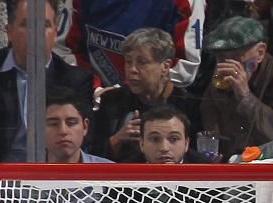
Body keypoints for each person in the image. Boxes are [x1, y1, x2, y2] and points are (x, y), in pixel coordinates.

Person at [0, 0, 93, 165]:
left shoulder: (75, 81)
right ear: (9, 31)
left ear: (55, 32)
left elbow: (86, 145)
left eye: (45, 25)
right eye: (27, 24)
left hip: (53, 177)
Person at [200, 16, 273, 161]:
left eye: (235, 56)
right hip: (234, 169)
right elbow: (210, 132)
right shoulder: (218, 83)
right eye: (221, 57)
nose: (227, 64)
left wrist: (245, 96)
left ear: (260, 52)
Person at [86, 27, 202, 162]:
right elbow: (90, 153)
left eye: (141, 62)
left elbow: (196, 155)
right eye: (128, 61)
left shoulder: (189, 105)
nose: (132, 70)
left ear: (165, 66)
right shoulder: (111, 100)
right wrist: (115, 141)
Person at [55, 0, 206, 89]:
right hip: (91, 98)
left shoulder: (186, 2)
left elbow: (185, 66)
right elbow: (63, 48)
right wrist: (92, 88)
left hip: (156, 106)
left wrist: (128, 94)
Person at [44, 87, 112, 163]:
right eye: (54, 124)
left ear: (85, 127)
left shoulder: (110, 172)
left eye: (71, 123)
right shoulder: (28, 171)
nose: (63, 131)